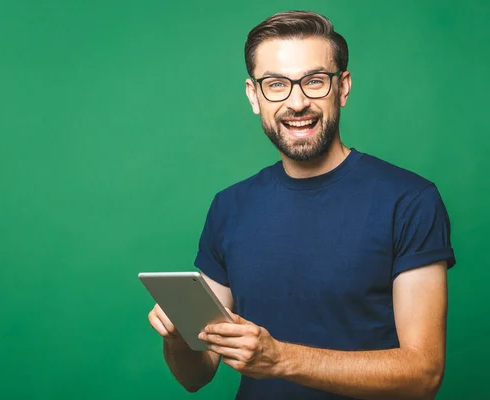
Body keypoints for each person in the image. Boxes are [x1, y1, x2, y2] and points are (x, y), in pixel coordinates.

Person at [148, 10, 456, 400]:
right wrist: (178, 337)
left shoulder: (410, 200)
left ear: (342, 88)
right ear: (254, 95)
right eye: (276, 84)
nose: (296, 102)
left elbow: (423, 374)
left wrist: (281, 360)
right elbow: (197, 375)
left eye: (314, 81)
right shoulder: (229, 206)